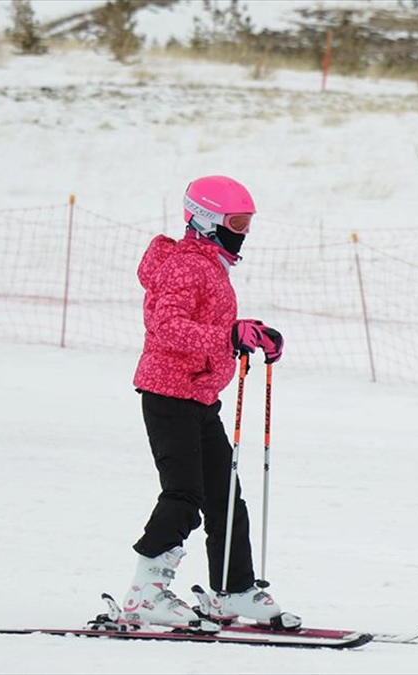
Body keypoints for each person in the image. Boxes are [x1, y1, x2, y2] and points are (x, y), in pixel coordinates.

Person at [120, 175, 298, 631]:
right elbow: (167, 326)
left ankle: (232, 589)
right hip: (168, 394)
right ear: (205, 219)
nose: (243, 231)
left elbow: (207, 322)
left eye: (248, 222)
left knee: (224, 495)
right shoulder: (185, 265)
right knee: (184, 495)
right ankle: (146, 592)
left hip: (198, 395)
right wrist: (227, 335)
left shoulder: (209, 265)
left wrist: (249, 332)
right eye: (237, 221)